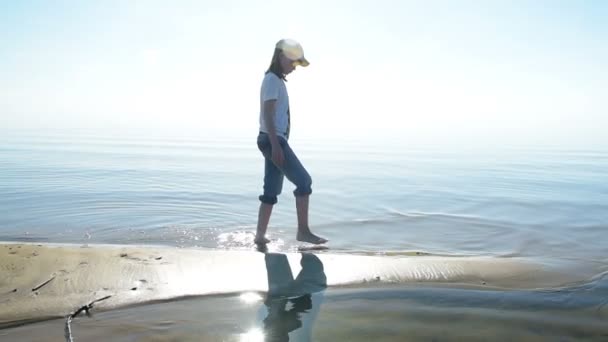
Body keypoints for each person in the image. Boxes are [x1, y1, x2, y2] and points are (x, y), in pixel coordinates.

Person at [255, 39, 328, 246]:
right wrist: (276, 145)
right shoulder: (271, 80)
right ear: (281, 57)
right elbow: (267, 113)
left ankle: (260, 237)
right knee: (304, 182)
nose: (295, 68)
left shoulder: (276, 80)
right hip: (273, 139)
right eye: (293, 62)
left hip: (271, 139)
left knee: (270, 191)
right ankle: (303, 232)